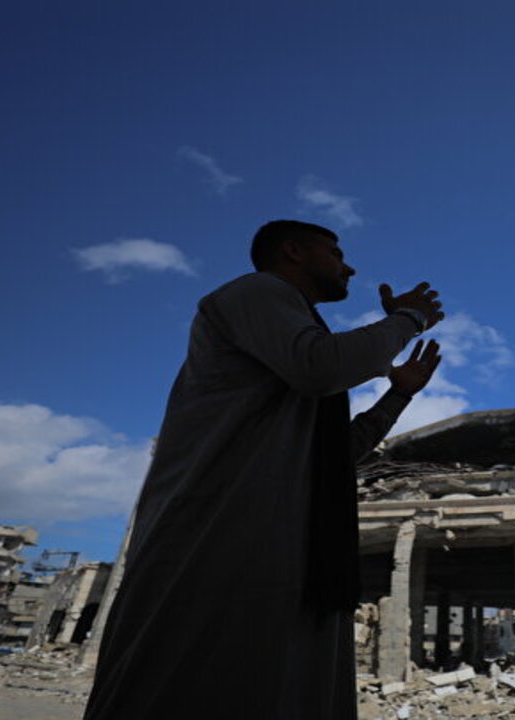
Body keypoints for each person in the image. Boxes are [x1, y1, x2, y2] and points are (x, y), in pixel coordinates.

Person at [83, 220, 444, 720]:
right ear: (293, 252)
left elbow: (335, 453)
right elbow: (321, 366)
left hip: (288, 541)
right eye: (335, 252)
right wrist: (407, 320)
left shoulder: (298, 340)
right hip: (221, 527)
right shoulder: (255, 293)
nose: (349, 266)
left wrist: (399, 393)